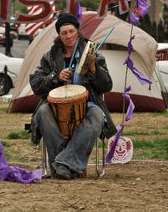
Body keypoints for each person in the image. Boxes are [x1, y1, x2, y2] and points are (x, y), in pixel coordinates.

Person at [29, 13, 117, 180]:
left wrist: (93, 69)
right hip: (56, 106)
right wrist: (55, 77)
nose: (68, 36)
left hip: (87, 104)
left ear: (77, 31)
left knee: (98, 115)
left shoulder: (93, 54)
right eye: (64, 33)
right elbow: (37, 85)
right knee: (42, 112)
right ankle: (67, 166)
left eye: (71, 31)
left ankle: (61, 165)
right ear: (59, 36)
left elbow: (107, 86)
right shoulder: (50, 57)